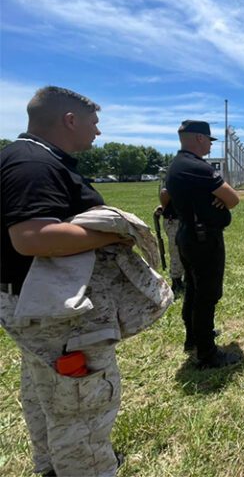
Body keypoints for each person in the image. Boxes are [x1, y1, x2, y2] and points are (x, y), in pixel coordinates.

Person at [0, 86, 135, 476]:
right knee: (82, 407)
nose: (98, 132)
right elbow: (32, 237)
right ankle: (84, 466)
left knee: (47, 396)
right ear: (69, 120)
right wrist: (114, 233)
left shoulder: (20, 157)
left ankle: (55, 466)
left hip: (31, 305)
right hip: (54, 312)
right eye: (93, 124)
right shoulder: (35, 165)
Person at [166, 120, 242, 368]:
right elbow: (232, 199)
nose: (210, 144)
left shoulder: (178, 164)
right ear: (199, 138)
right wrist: (218, 199)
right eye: (209, 140)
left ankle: (195, 338)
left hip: (188, 234)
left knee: (193, 290)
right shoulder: (195, 166)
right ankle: (207, 353)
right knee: (207, 295)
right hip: (203, 238)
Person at [156, 182, 186, 294]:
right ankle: (177, 282)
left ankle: (186, 279)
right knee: (177, 252)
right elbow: (165, 192)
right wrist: (164, 208)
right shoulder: (181, 175)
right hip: (176, 220)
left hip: (190, 220)